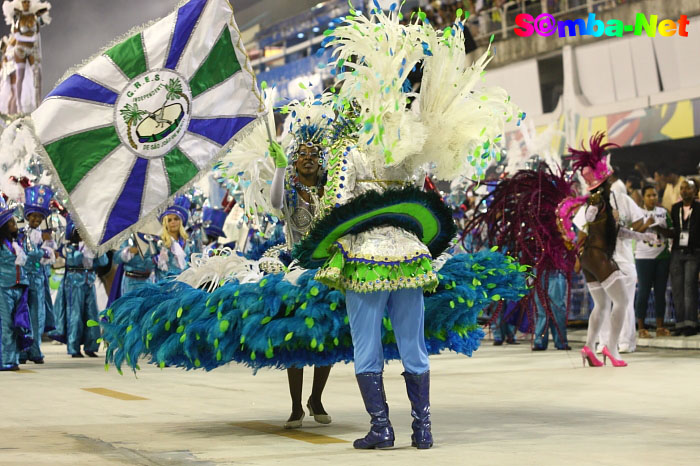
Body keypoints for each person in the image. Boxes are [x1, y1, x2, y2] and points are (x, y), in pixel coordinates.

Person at [269, 112, 334, 430]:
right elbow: (274, 200)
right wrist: (279, 167)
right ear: (294, 161)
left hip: (329, 271)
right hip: (296, 272)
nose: (308, 159)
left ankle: (316, 398)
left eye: (315, 154)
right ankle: (295, 405)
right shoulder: (290, 193)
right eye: (302, 154)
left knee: (327, 337)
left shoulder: (332, 192)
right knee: (296, 337)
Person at [568, 133, 654, 368]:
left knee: (603, 305)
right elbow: (588, 228)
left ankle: (589, 347)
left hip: (588, 260)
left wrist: (642, 235)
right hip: (600, 258)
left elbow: (611, 232)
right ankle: (612, 348)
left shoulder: (595, 202)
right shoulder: (600, 203)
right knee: (623, 302)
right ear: (606, 181)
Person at [50, 217, 108, 357]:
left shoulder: (92, 246)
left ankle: (91, 346)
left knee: (92, 313)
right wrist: (82, 250)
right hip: (74, 281)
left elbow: (104, 262)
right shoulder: (70, 247)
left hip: (89, 281)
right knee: (75, 315)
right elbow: (72, 260)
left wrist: (98, 250)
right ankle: (74, 347)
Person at [18, 184, 55, 364]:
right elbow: (22, 256)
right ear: (27, 216)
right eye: (34, 216)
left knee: (37, 315)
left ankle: (35, 349)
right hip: (23, 279)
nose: (37, 220)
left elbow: (51, 257)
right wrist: (42, 252)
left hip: (39, 280)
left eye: (40, 217)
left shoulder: (45, 237)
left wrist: (44, 251)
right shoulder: (19, 234)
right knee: (22, 314)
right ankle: (23, 349)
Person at [634, 186, 672, 338]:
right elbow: (633, 232)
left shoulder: (663, 212)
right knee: (643, 291)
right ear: (643, 197)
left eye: (654, 195)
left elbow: (672, 232)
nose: (652, 198)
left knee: (660, 292)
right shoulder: (637, 213)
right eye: (649, 195)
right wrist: (646, 224)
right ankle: (641, 328)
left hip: (662, 256)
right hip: (643, 257)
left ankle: (660, 327)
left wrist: (660, 229)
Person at [2, 0, 51, 113]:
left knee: (38, 74)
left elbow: (37, 35)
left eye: (28, 2)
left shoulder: (34, 18)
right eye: (24, 2)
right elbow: (16, 37)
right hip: (20, 50)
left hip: (31, 50)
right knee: (20, 77)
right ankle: (19, 106)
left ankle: (38, 104)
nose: (26, 4)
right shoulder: (18, 19)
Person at [0, 200, 30, 371]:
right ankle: (6, 360)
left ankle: (14, 358)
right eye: (10, 222)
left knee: (18, 324)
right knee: (6, 325)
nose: (14, 224)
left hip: (19, 288)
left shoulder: (17, 244)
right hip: (4, 287)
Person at [667, 179, 700, 336]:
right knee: (677, 288)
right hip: (677, 252)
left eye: (688, 188)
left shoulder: (699, 208)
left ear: (695, 191)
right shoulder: (675, 208)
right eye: (682, 188)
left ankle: (691, 323)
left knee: (689, 288)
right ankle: (680, 323)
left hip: (693, 252)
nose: (684, 191)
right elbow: (673, 230)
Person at [156, 196, 191, 281]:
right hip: (166, 283)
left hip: (186, 282)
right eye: (169, 220)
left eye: (176, 219)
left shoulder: (187, 241)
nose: (173, 222)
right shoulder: (159, 242)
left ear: (181, 221)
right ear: (165, 223)